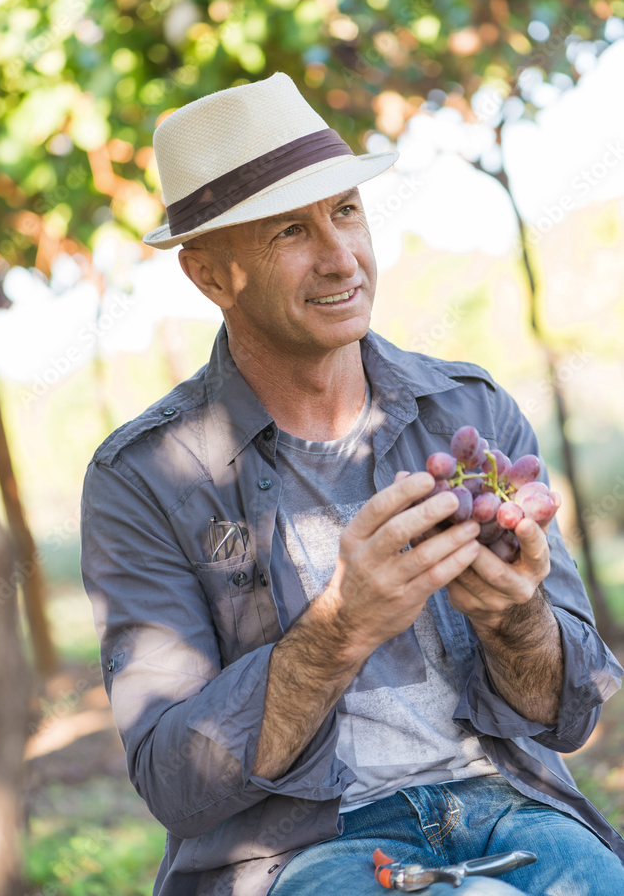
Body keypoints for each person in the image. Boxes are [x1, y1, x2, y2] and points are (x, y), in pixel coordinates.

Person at [80, 73, 624, 896]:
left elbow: (572, 714)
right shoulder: (144, 479)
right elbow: (175, 781)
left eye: (345, 211)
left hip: (511, 807)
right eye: (290, 230)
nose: (341, 256)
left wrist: (514, 614)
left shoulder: (467, 412)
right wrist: (341, 625)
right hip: (303, 852)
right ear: (210, 275)